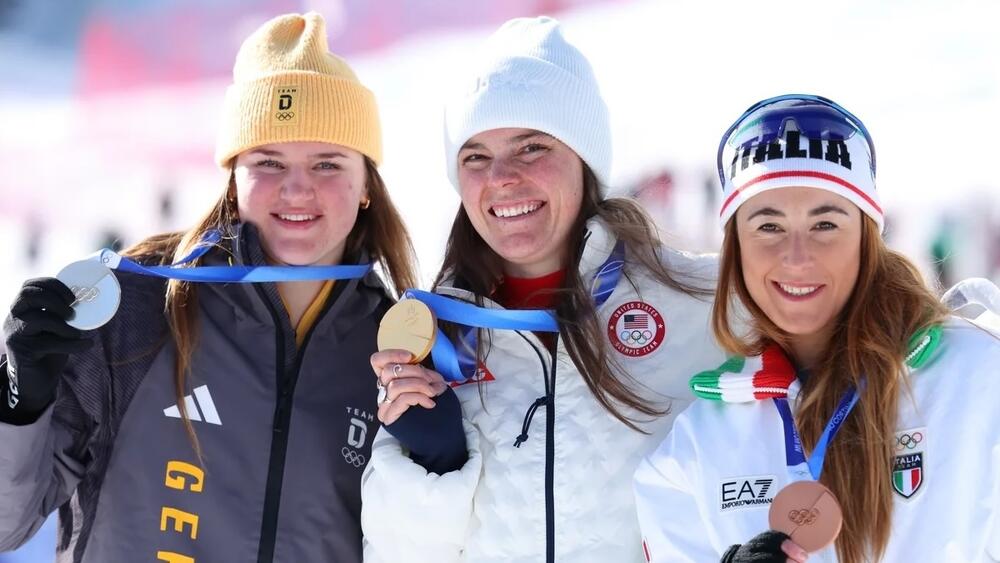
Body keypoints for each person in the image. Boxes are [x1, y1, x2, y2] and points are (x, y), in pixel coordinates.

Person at [0, 12, 416, 563]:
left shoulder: (394, 347)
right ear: (233, 175)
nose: (297, 188)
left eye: (327, 163)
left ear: (366, 184)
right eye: (268, 161)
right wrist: (19, 401)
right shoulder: (140, 310)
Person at [360, 16, 725, 562]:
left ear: (585, 161)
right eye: (475, 157)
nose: (502, 177)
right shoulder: (434, 335)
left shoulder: (707, 305)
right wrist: (431, 460)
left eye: (531, 147)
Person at [634, 94, 1000, 562]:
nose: (797, 255)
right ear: (735, 250)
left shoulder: (976, 379)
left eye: (825, 223)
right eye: (768, 226)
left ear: (867, 237)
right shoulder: (697, 448)